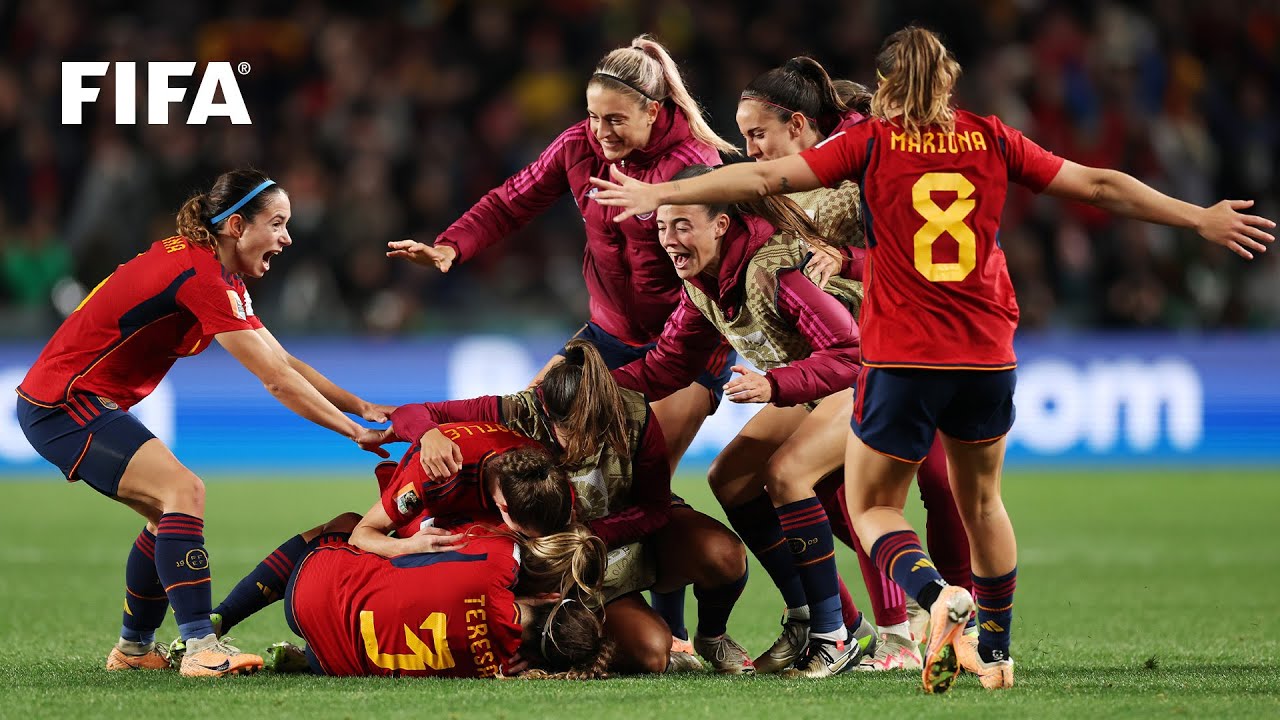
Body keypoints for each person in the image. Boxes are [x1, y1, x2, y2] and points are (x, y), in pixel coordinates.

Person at [588, 25, 1274, 693]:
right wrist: (1199, 217)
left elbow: (763, 175)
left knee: (872, 506)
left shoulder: (870, 142)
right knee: (982, 504)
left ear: (885, 86)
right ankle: (996, 651)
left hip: (903, 353)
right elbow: (1097, 185)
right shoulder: (993, 136)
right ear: (950, 81)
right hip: (987, 351)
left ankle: (926, 601)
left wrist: (662, 193)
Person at [14, 169, 392, 677]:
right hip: (64, 402)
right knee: (183, 492)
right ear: (236, 225)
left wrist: (361, 407)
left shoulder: (217, 273)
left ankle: (134, 651)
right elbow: (275, 381)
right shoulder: (201, 277)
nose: (286, 238)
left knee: (164, 511)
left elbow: (284, 362)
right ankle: (200, 647)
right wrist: (354, 433)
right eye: (277, 224)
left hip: (74, 400)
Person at [736, 56, 975, 671]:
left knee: (940, 487)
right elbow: (717, 160)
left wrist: (849, 265)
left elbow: (929, 257)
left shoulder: (873, 169)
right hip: (871, 357)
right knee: (850, 495)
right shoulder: (789, 177)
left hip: (927, 340)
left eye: (758, 135)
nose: (749, 148)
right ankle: (884, 627)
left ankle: (958, 618)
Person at [611, 164, 879, 678]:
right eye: (662, 228)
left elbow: (852, 350)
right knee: (729, 478)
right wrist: (593, 390)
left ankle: (834, 635)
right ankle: (809, 617)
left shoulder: (771, 269)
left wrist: (774, 385)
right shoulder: (703, 285)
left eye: (682, 225)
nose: (669, 240)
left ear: (720, 224)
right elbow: (667, 365)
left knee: (786, 475)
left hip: (881, 370)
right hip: (820, 381)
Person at [386, 340, 754, 675]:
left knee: (722, 553)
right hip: (547, 570)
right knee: (652, 654)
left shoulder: (635, 414)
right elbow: (413, 411)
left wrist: (590, 535)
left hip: (616, 547)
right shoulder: (518, 410)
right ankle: (546, 645)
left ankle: (713, 637)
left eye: (597, 430)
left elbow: (656, 508)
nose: (587, 444)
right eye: (574, 434)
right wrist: (428, 434)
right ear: (546, 414)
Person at [209, 512, 613, 679]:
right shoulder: (504, 669)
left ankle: (220, 619)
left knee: (352, 524)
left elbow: (432, 526)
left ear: (547, 598)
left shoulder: (499, 559)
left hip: (309, 591)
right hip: (333, 660)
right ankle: (301, 656)